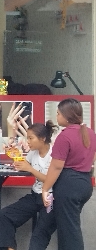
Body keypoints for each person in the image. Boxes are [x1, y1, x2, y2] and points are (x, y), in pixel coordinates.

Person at [37, 98, 96, 250]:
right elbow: (92, 158)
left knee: (69, 232)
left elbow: (56, 166)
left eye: (58, 113)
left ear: (66, 115)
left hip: (68, 186)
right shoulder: (90, 133)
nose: (56, 116)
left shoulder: (65, 136)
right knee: (52, 226)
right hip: (85, 183)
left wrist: (45, 189)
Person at [0, 121, 57, 250]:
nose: (27, 142)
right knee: (4, 215)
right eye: (27, 138)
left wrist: (30, 169)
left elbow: (50, 179)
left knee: (40, 233)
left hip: (51, 199)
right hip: (35, 196)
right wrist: (15, 156)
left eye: (30, 138)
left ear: (42, 138)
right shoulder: (33, 152)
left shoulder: (54, 155)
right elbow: (24, 165)